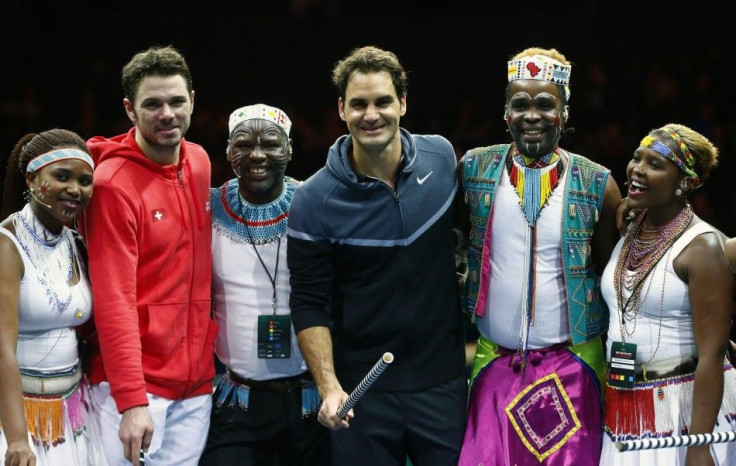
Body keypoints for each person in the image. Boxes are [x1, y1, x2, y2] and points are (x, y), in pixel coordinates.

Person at [287, 46, 467, 465]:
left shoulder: (441, 158)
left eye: (383, 101)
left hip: (442, 385)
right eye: (359, 104)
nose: (372, 114)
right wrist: (329, 387)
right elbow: (309, 302)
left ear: (403, 103)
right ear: (341, 109)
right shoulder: (313, 200)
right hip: (362, 392)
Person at [456, 47, 622, 465]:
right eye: (520, 105)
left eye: (545, 104)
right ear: (506, 114)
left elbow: (611, 276)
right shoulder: (473, 169)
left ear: (564, 114)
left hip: (574, 364)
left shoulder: (598, 182)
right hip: (495, 359)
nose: (532, 115)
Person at [76, 45, 215, 466]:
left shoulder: (199, 160)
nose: (167, 113)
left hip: (195, 386)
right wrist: (131, 400)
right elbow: (113, 301)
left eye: (176, 101)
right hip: (136, 391)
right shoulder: (112, 186)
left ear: (192, 98)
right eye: (152, 104)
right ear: (130, 110)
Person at [199, 104, 330, 465]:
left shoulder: (316, 205)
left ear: (288, 150)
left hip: (310, 401)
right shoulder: (206, 209)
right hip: (237, 402)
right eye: (244, 144)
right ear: (228, 152)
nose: (257, 154)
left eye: (271, 144)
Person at [600, 123, 735, 465]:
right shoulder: (633, 225)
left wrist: (700, 444)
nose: (637, 170)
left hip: (684, 409)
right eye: (636, 158)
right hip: (627, 405)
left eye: (655, 165)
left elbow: (712, 355)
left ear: (686, 183)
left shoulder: (703, 248)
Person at [0, 129, 102, 465]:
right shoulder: (6, 245)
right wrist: (16, 438)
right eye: (62, 176)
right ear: (31, 177)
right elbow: (1, 346)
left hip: (71, 413)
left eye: (85, 180)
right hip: (16, 420)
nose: (75, 189)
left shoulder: (75, 242)